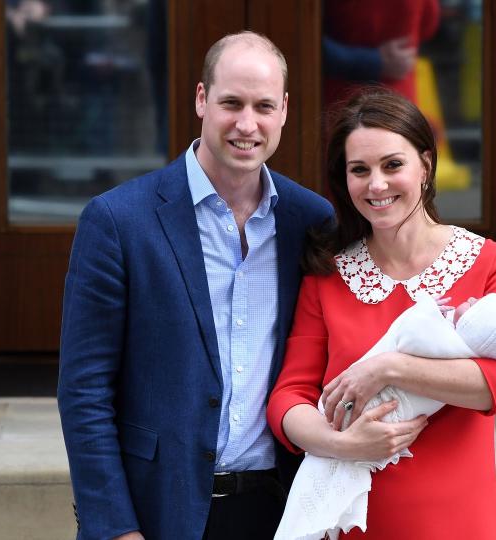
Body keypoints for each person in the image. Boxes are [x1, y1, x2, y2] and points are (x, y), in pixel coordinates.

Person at [58, 31, 333, 540]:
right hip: (158, 512)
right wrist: (116, 528)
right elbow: (84, 390)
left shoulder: (312, 221)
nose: (247, 124)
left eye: (263, 106)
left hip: (282, 510)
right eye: (231, 102)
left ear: (285, 110)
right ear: (202, 99)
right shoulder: (119, 220)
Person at [266, 89, 496, 539]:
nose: (376, 184)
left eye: (393, 165)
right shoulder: (327, 275)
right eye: (359, 170)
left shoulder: (491, 263)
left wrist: (391, 368)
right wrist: (341, 444)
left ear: (425, 166)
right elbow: (288, 397)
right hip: (352, 523)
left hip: (457, 520)